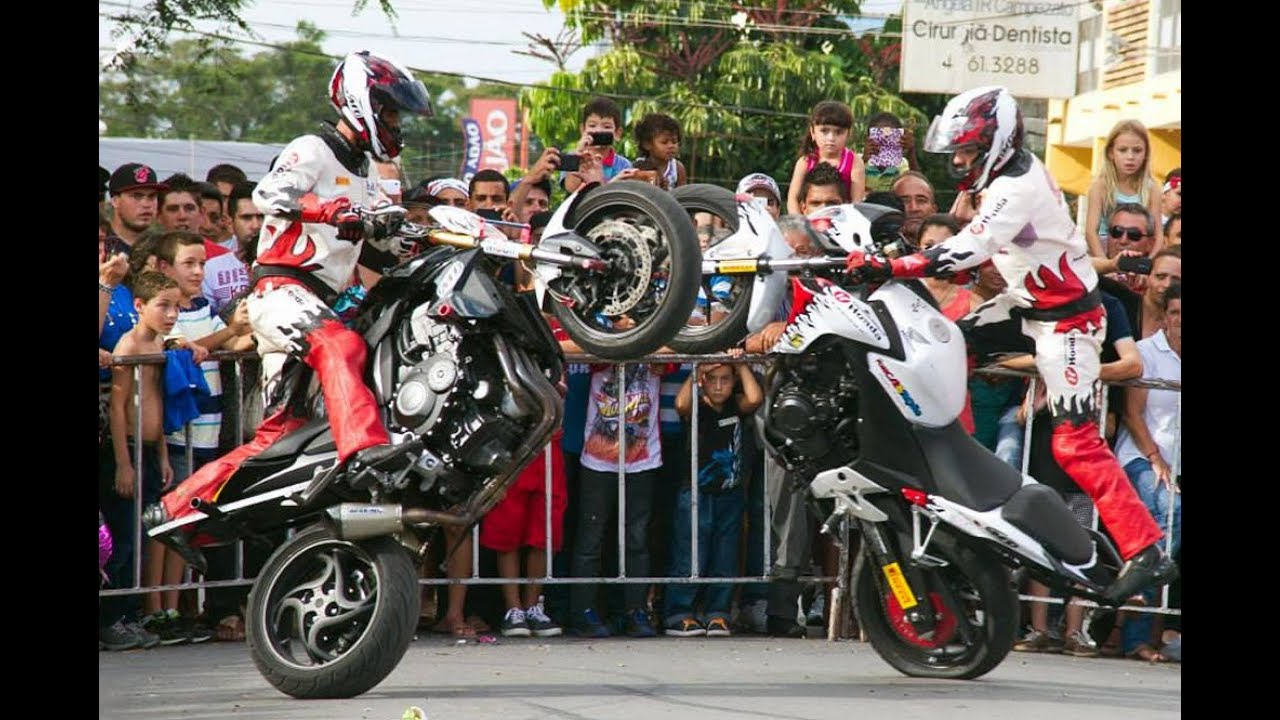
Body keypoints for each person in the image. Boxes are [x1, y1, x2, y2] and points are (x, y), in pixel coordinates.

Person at [844, 86, 1177, 602]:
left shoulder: (1015, 186)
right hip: (1027, 306)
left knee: (1074, 442)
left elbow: (967, 248)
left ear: (997, 143)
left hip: (1067, 323)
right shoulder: (1006, 174)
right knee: (943, 342)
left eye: (967, 151)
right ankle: (945, 464)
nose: (957, 161)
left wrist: (895, 264)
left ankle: (1146, 549)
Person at [146, 50, 435, 531]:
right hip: (280, 290)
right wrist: (333, 210)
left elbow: (375, 252)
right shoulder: (312, 149)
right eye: (388, 110)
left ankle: (175, 507)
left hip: (318, 303)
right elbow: (269, 195)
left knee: (282, 433)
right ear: (361, 101)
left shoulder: (366, 174)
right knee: (343, 345)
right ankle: (366, 452)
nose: (393, 122)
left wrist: (403, 235)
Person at [99, 271, 183, 651]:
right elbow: (118, 408)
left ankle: (128, 616)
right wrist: (123, 463)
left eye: (176, 307)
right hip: (128, 449)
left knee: (142, 537)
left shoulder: (160, 344)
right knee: (123, 543)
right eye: (163, 306)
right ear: (139, 306)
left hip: (149, 449)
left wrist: (163, 454)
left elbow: (158, 403)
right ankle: (110, 619)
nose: (171, 314)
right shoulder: (129, 346)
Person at [663, 358, 763, 638]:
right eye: (713, 379)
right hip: (696, 492)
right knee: (690, 552)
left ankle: (717, 612)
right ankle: (679, 611)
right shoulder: (697, 406)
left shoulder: (735, 405)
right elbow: (681, 405)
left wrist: (741, 364)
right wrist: (696, 369)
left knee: (725, 553)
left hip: (729, 492)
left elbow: (755, 398)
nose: (719, 386)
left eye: (725, 379)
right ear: (702, 381)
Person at [1113, 283, 1181, 663]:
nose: (1181, 322)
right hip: (1142, 456)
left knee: (1162, 528)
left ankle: (1139, 582)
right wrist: (1155, 458)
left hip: (1178, 463)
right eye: (1175, 313)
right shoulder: (1146, 352)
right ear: (1165, 316)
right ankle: (1136, 625)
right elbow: (1132, 414)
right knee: (1169, 513)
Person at [1083, 120, 1164, 260]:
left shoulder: (1152, 188)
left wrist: (1147, 263)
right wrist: (1106, 265)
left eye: (1137, 150)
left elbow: (1157, 234)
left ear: (1146, 154)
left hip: (1139, 255)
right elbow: (1091, 232)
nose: (1130, 157)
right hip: (1104, 252)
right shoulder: (1100, 186)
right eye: (1123, 150)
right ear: (1111, 153)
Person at [787, 100, 863, 213]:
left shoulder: (854, 162)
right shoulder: (805, 162)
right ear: (813, 132)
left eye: (838, 132)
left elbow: (857, 202)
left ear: (848, 134)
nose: (831, 138)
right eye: (824, 131)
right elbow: (792, 199)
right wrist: (801, 226)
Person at [563, 96, 632, 193]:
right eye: (592, 125)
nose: (598, 130)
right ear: (583, 130)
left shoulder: (623, 165)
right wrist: (578, 154)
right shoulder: (572, 157)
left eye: (606, 127)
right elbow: (571, 188)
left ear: (617, 133)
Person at [629, 113, 686, 190]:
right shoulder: (637, 168)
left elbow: (682, 194)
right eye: (664, 142)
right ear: (647, 144)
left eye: (674, 141)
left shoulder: (678, 168)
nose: (671, 146)